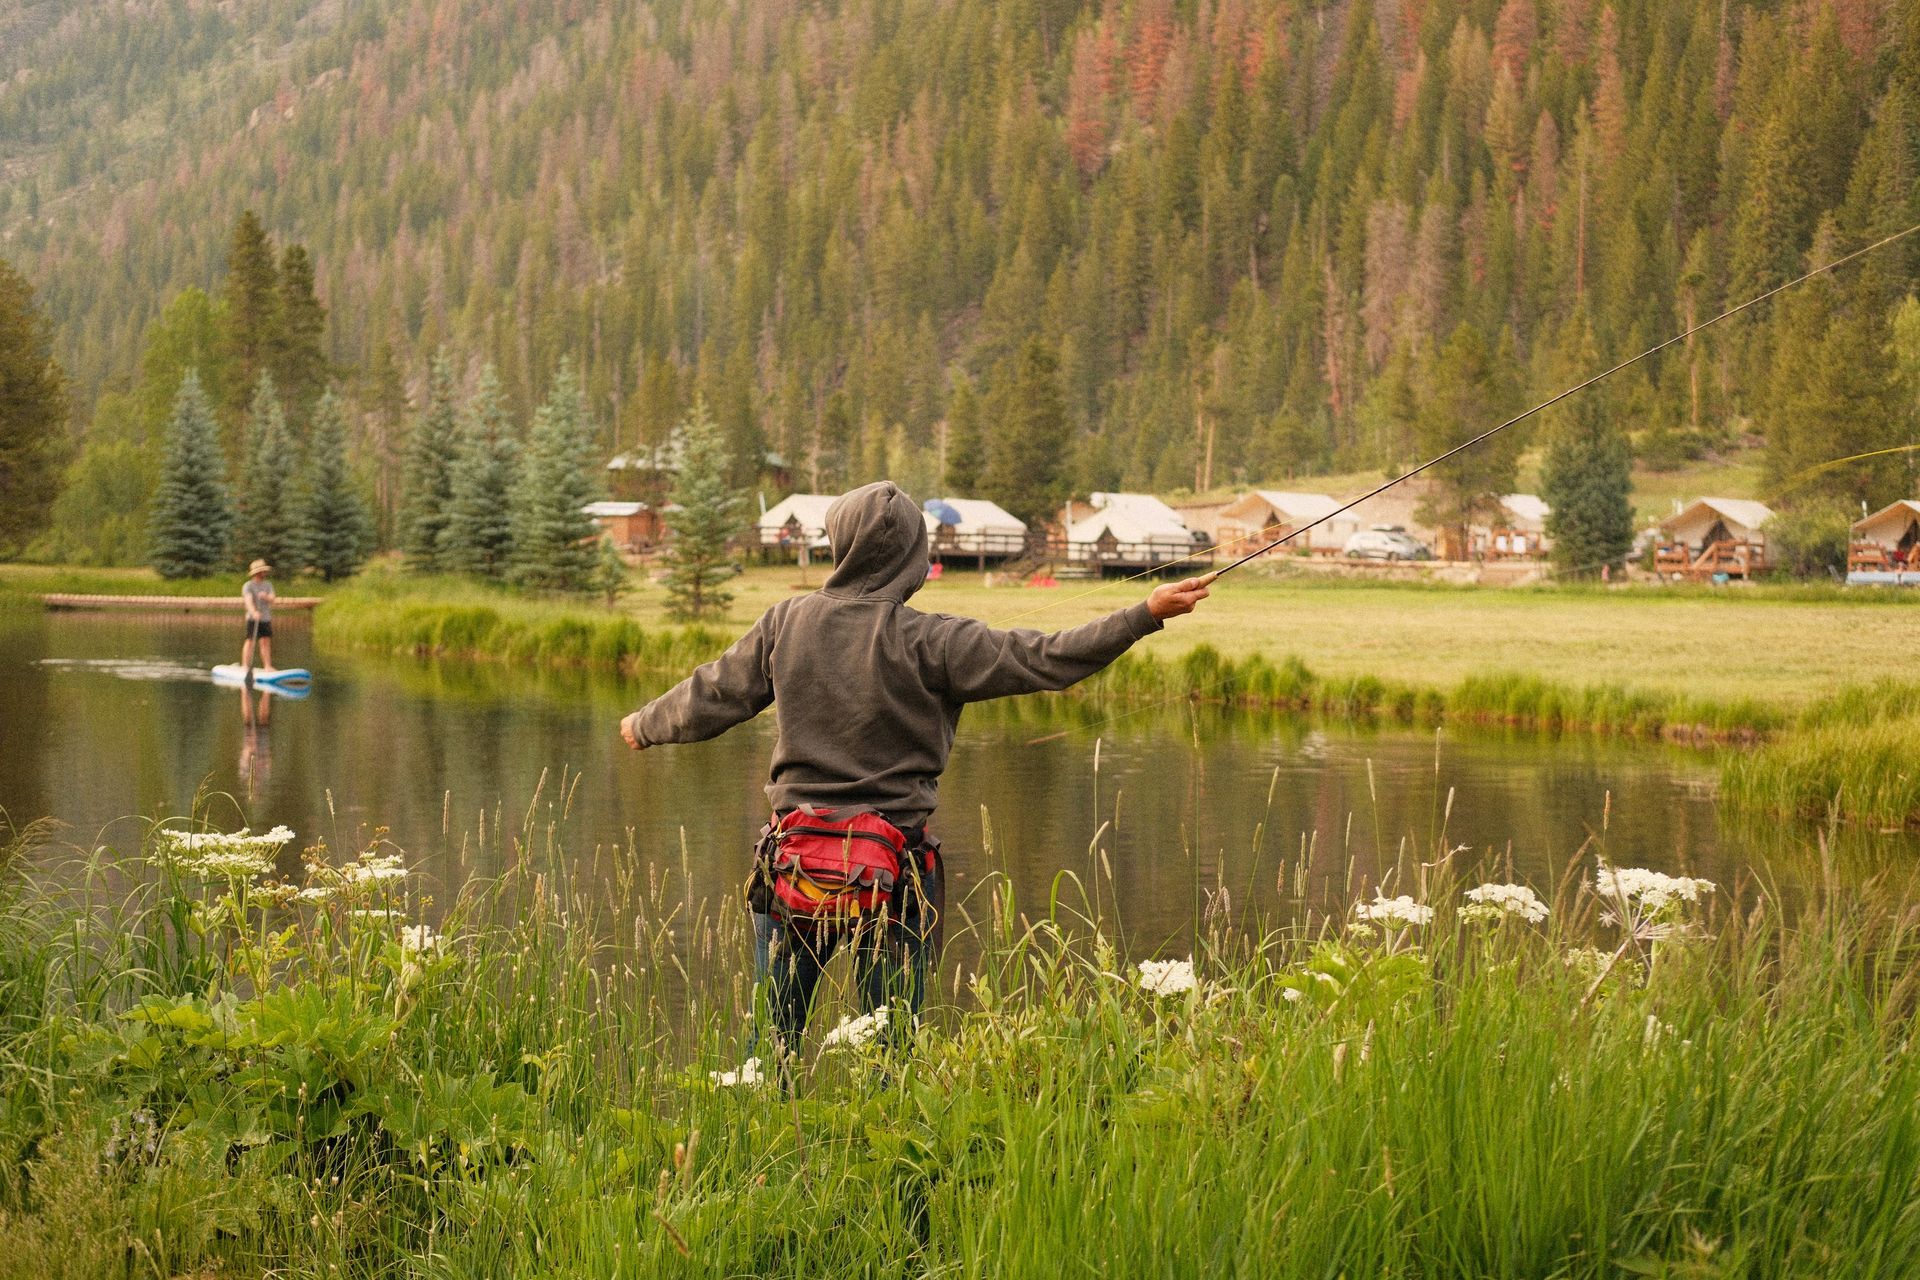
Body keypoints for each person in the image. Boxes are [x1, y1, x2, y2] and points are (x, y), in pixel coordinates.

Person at [619, 481, 1212, 1063]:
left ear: (840, 545)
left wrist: (645, 724)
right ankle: (889, 1155)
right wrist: (1145, 613)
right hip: (896, 871)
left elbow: (714, 694)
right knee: (891, 1053)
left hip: (794, 866)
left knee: (769, 1050)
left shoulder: (787, 620)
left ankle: (765, 1145)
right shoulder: (938, 642)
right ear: (914, 557)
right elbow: (1049, 658)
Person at [241, 559, 276, 674]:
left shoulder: (268, 585)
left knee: (265, 641)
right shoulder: (248, 586)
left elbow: (272, 598)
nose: (264, 573)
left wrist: (265, 597)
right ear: (257, 573)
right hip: (253, 618)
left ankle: (267, 666)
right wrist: (254, 612)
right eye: (262, 571)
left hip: (265, 618)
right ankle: (245, 666)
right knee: (250, 640)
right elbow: (248, 601)